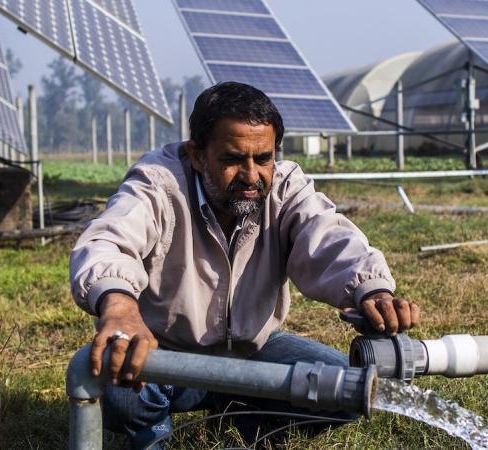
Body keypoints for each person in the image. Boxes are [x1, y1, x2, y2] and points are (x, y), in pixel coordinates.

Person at [69, 81, 419, 449]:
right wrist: (120, 309)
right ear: (198, 155)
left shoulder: (286, 189)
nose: (251, 176)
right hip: (166, 355)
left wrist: (372, 288)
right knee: (117, 387)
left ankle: (242, 421)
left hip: (254, 354)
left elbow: (328, 236)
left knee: (348, 389)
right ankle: (153, 432)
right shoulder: (159, 182)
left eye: (263, 158)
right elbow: (108, 241)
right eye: (233, 160)